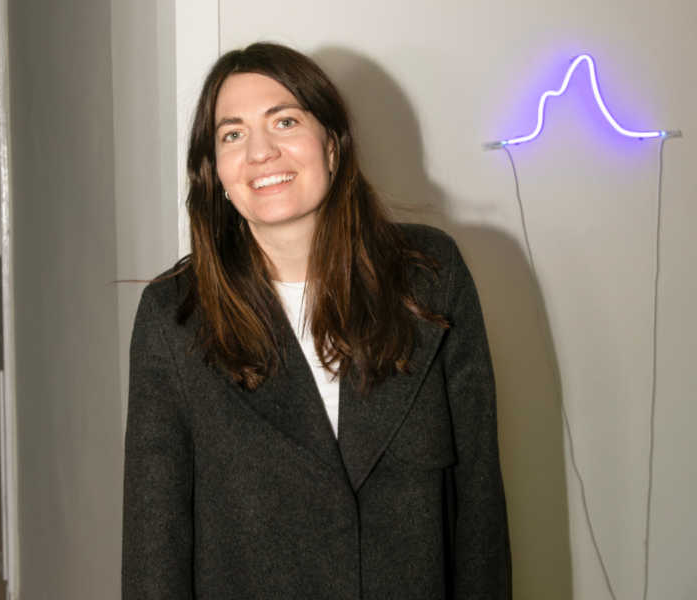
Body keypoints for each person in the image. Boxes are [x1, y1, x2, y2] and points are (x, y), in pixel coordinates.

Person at [122, 42, 511, 599]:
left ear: (331, 143)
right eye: (232, 134)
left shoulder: (429, 277)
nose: (260, 152)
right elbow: (153, 545)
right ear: (216, 173)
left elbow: (478, 496)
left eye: (284, 121)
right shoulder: (174, 316)